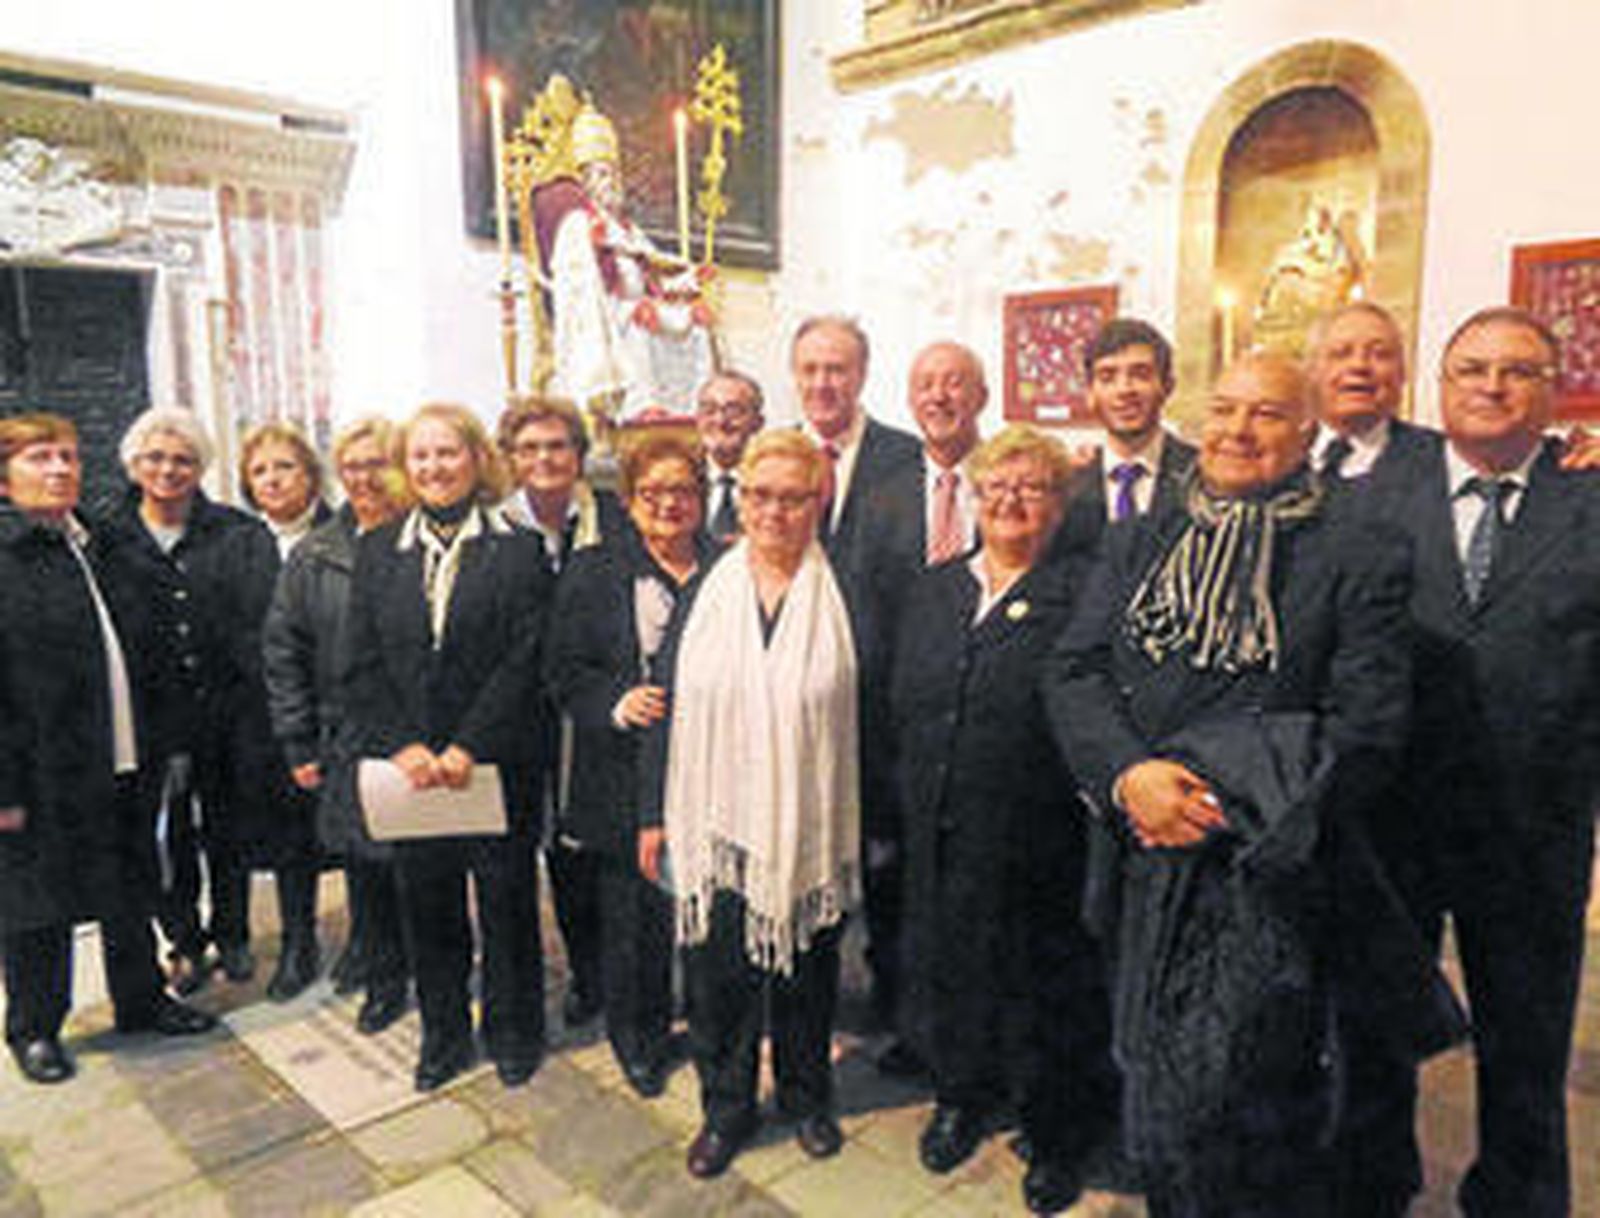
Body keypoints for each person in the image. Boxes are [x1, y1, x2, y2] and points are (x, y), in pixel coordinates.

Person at [1044, 353, 1428, 1216]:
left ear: (1307, 432)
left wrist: (1219, 800)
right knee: (1149, 1074)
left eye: (1266, 414)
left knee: (1249, 1100)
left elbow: (1368, 727)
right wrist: (1130, 776)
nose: (1237, 431)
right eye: (1223, 409)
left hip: (1262, 869)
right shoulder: (1142, 536)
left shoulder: (1358, 549)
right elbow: (1074, 669)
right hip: (1140, 852)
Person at [1341, 308, 1600, 1218]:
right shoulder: (1372, 497)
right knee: (1377, 1028)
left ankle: (1518, 1198)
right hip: (1392, 822)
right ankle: (1372, 1187)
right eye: (1473, 369)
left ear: (1555, 392)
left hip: (1533, 830)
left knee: (1526, 1043)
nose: (1493, 386)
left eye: (1518, 371)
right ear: (1440, 387)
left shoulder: (1591, 497)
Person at [891, 425, 1117, 1215]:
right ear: (975, 495)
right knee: (950, 969)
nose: (1012, 499)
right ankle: (960, 1096)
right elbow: (901, 700)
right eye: (997, 485)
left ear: (1060, 504)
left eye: (1033, 486)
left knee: (1044, 987)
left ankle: (1056, 1133)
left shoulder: (1084, 590)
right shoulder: (936, 587)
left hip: (1043, 836)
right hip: (939, 827)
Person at [641, 430, 860, 1178]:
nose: (774, 511)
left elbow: (876, 714)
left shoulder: (848, 592)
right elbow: (664, 704)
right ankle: (725, 1110)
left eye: (792, 497)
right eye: (759, 495)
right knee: (717, 979)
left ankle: (806, 1097)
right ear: (739, 499)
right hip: (716, 823)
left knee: (808, 972)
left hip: (811, 822)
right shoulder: (706, 589)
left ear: (817, 501)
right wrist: (652, 814)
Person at [0, 414, 216, 1085]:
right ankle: (35, 1027)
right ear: (5, 478)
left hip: (123, 756)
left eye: (68, 456)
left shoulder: (100, 542)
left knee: (129, 885)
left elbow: (149, 647)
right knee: (36, 905)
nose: (59, 469)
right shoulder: (7, 559)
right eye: (40, 458)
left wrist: (168, 743)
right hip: (40, 774)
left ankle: (141, 999)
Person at [346, 403, 551, 1093]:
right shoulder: (378, 550)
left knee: (506, 904)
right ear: (406, 468)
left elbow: (527, 658)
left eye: (448, 452)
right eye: (421, 455)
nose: (435, 467)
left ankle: (515, 1032)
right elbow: (359, 663)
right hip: (412, 773)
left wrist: (471, 744)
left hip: (494, 763)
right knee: (428, 908)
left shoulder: (519, 548)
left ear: (476, 459)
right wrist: (403, 745)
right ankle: (443, 1035)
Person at [545, 434, 717, 1098]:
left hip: (708, 766)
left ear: (702, 497)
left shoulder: (728, 566)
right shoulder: (593, 571)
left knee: (706, 906)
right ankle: (639, 1039)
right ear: (629, 500)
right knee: (633, 917)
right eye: (653, 492)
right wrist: (614, 703)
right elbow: (562, 670)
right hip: (620, 769)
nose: (669, 504)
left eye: (683, 490)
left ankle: (708, 1024)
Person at [107, 407, 281, 996]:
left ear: (201, 467)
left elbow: (260, 624)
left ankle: (232, 933)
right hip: (151, 721)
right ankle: (183, 939)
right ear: (134, 464)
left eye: (182, 459)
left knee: (230, 827)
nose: (168, 470)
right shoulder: (109, 537)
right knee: (169, 836)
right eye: (155, 458)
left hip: (228, 713)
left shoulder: (239, 533)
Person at [791, 314, 920, 1039]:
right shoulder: (775, 456)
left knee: (888, 861)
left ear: (862, 374)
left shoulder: (906, 457)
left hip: (881, 701)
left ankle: (895, 1006)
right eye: (810, 369)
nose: (823, 383)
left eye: (836, 368)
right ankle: (807, 1000)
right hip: (799, 706)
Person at [262, 418, 413, 1035]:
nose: (364, 477)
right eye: (351, 466)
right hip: (348, 736)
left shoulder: (424, 537)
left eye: (376, 463)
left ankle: (434, 970)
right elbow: (284, 652)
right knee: (366, 869)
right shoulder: (316, 554)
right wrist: (298, 741)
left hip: (422, 736)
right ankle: (384, 978)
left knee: (423, 868)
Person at [497, 394, 627, 1029]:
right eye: (530, 448)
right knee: (552, 848)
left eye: (557, 446)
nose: (544, 459)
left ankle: (622, 975)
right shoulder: (495, 529)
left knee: (602, 847)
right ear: (511, 458)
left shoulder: (613, 520)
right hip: (522, 716)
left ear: (579, 453)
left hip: (597, 709)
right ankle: (585, 972)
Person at [533, 96, 715, 422]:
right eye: (602, 174)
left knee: (698, 323)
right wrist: (629, 308)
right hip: (607, 318)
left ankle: (696, 411)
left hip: (640, 307)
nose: (611, 182)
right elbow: (581, 289)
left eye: (614, 174)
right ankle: (642, 409)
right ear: (586, 181)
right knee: (640, 330)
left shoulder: (626, 228)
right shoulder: (578, 225)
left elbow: (654, 267)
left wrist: (688, 279)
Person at [239, 422, 333, 1002]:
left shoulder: (343, 534)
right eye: (260, 471)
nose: (272, 480)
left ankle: (374, 943)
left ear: (311, 475)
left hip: (338, 710)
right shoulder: (241, 544)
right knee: (289, 840)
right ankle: (299, 941)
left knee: (355, 835)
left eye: (284, 467)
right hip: (269, 718)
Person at [1058, 318, 1196, 552]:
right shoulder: (1067, 484)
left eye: (1140, 375)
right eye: (1107, 377)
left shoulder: (1199, 475)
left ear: (1167, 386)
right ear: (1090, 393)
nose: (1124, 389)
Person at [695, 370, 765, 545]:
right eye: (709, 410)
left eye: (733, 411)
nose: (720, 421)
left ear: (758, 422)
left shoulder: (771, 481)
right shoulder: (683, 477)